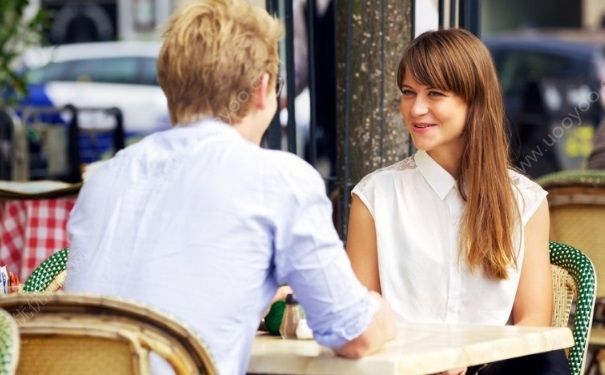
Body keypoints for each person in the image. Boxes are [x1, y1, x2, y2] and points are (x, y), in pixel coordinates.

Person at [63, 1, 395, 374]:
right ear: (262, 88)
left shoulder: (104, 179)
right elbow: (355, 334)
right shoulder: (277, 179)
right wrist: (380, 311)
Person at [346, 29, 568, 374]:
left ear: (474, 101)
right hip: (401, 367)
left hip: (489, 367)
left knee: (546, 360)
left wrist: (468, 360)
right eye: (408, 92)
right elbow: (360, 315)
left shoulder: (524, 200)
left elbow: (534, 322)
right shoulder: (375, 196)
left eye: (435, 93)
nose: (416, 108)